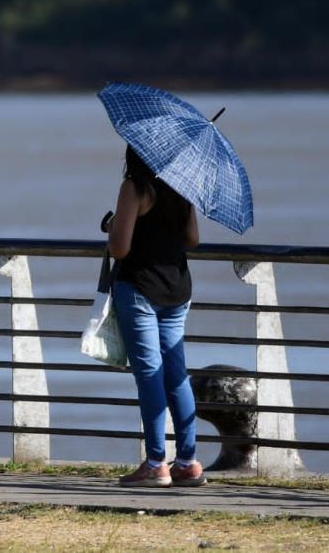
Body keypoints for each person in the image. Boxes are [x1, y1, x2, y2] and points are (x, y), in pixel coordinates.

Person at [106, 145, 205, 488]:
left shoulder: (134, 188)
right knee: (176, 373)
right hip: (177, 289)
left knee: (149, 375)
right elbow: (193, 238)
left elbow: (119, 248)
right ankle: (188, 462)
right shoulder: (182, 185)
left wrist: (113, 225)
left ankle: (155, 463)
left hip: (140, 288)